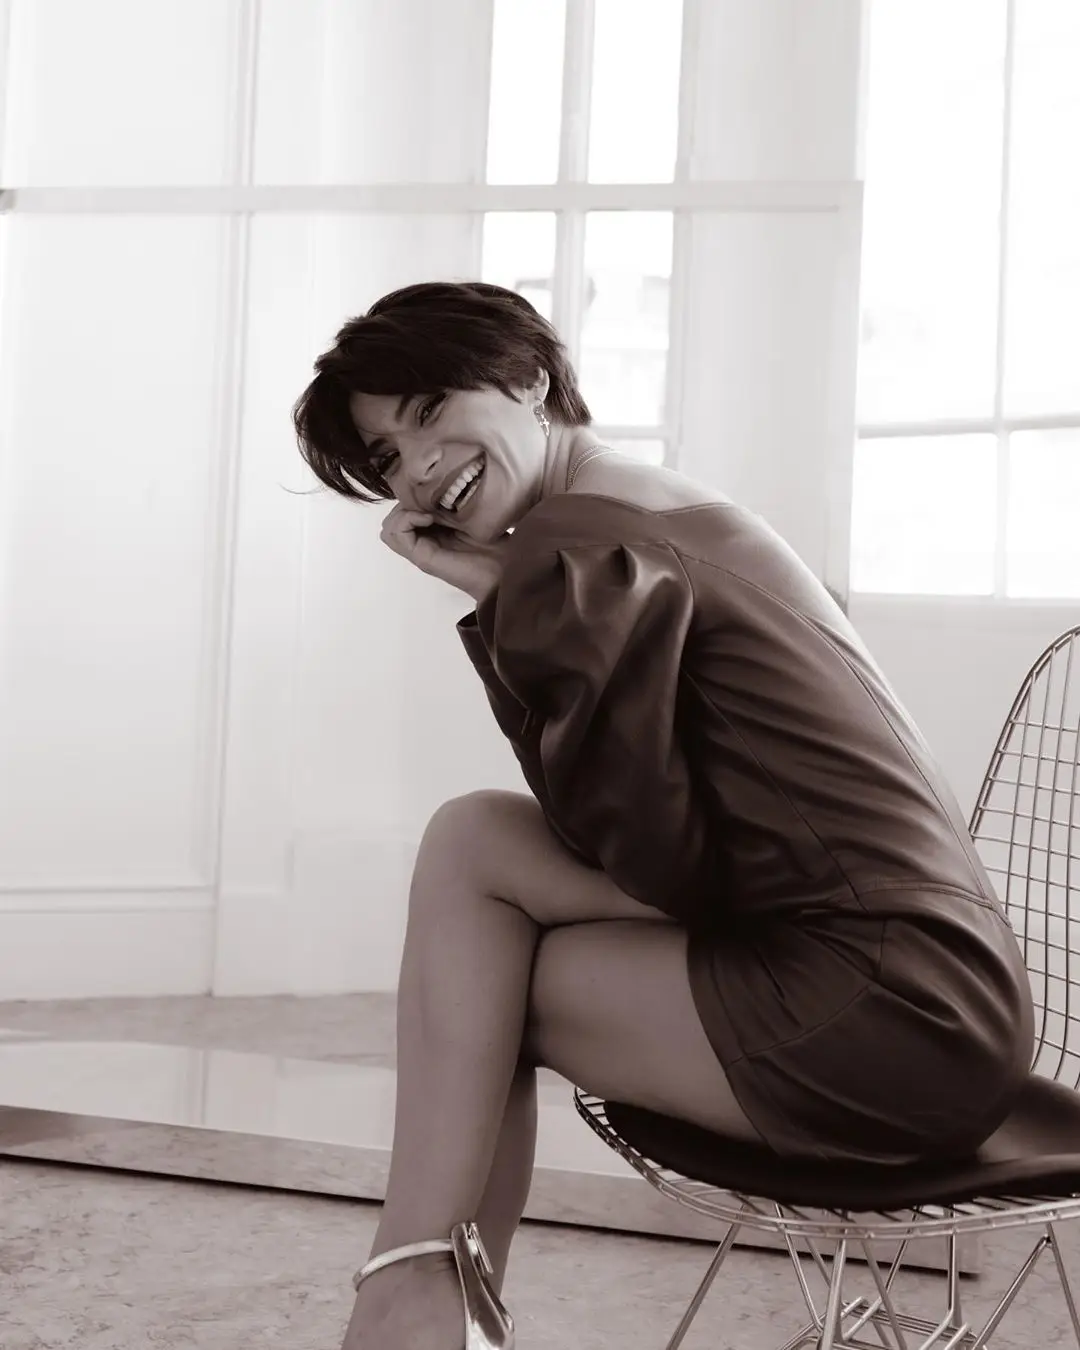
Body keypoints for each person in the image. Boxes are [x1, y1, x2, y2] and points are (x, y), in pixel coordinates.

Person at [292, 280, 1035, 1350]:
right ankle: (424, 1298)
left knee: (478, 979)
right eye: (386, 458)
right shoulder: (639, 504)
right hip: (939, 992)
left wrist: (503, 599)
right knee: (474, 841)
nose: (416, 470)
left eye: (429, 413)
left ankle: (410, 1308)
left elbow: (654, 863)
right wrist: (504, 597)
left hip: (880, 1018)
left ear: (530, 378)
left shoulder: (582, 549)